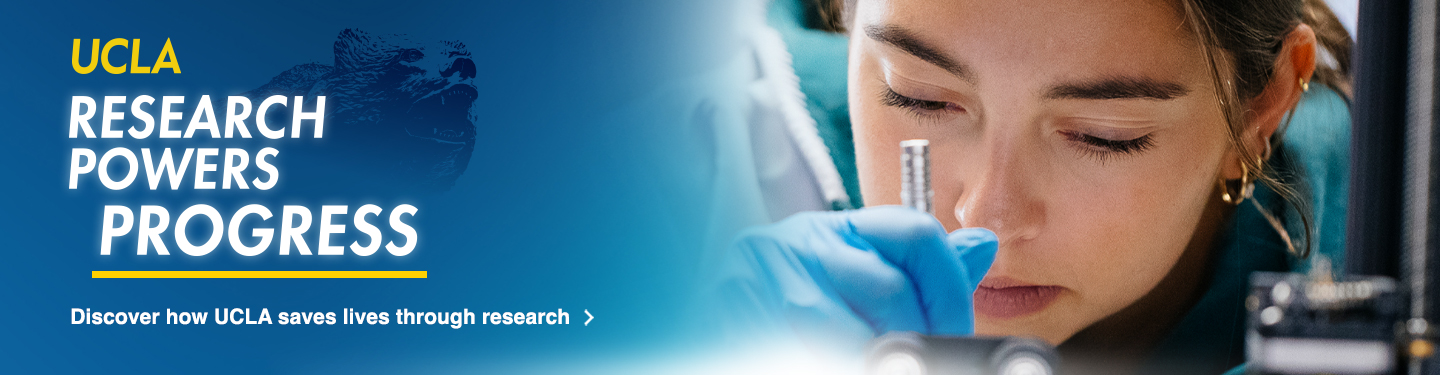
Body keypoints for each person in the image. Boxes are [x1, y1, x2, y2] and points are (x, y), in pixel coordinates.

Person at [709, 0, 1355, 374]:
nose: (985, 215)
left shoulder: (1393, 242)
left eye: (1102, 135)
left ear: (1260, 109)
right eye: (919, 96)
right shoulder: (704, 168)